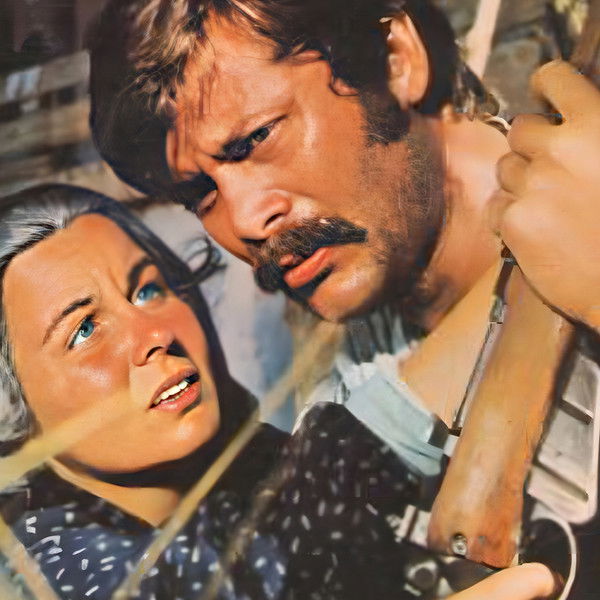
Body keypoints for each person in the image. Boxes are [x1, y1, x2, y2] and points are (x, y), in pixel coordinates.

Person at [0, 184, 557, 600]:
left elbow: (343, 464)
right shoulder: (62, 574)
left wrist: (551, 239)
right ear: (12, 410)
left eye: (147, 290)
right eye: (84, 330)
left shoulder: (246, 468)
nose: (155, 334)